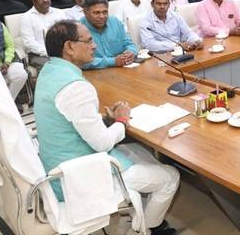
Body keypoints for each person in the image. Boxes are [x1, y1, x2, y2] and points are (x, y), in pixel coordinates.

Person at [34, 20, 180, 235]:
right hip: (79, 178)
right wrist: (121, 120)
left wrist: (105, 121)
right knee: (170, 176)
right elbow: (102, 143)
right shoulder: (75, 88)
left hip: (57, 165)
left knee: (140, 151)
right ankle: (152, 228)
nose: (94, 45)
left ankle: (143, 212)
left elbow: (69, 119)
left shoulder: (49, 71)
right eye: (88, 41)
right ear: (69, 47)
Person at [80, 0, 137, 69]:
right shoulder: (79, 29)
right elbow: (81, 61)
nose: (102, 16)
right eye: (96, 13)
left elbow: (129, 44)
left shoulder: (115, 22)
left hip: (122, 69)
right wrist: (113, 61)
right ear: (85, 12)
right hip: (94, 73)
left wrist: (131, 53)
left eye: (105, 12)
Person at [20, 0, 66, 70]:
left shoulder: (59, 13)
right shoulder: (26, 17)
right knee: (55, 68)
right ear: (33, 1)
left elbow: (67, 34)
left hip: (61, 52)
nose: (45, 0)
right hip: (38, 55)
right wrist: (49, 52)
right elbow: (29, 42)